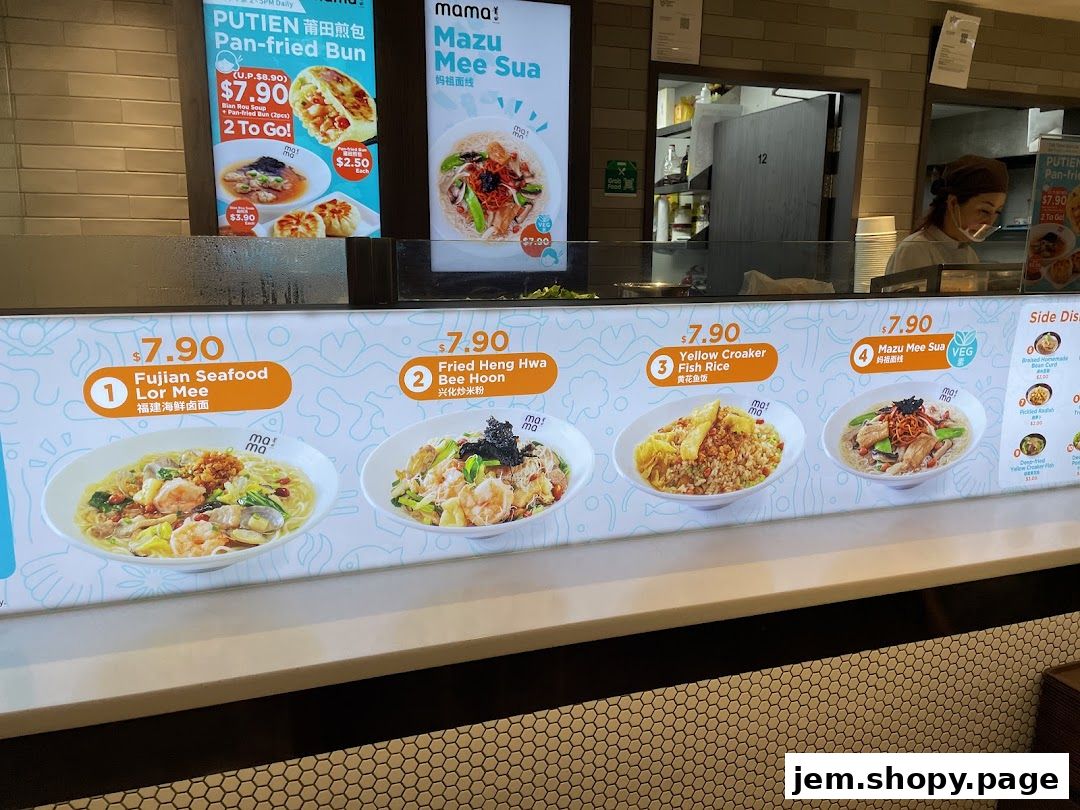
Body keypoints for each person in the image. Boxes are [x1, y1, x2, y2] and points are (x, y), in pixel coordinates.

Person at [885, 154, 1009, 275]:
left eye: (997, 212)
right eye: (984, 211)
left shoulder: (969, 255)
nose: (990, 221)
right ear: (953, 203)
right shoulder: (915, 250)